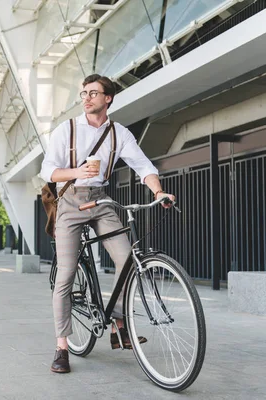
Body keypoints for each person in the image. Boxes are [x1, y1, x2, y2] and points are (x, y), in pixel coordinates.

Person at [39, 74, 176, 374]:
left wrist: (158, 191)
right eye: (83, 93)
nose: (86, 98)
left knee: (128, 259)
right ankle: (62, 346)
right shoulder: (68, 129)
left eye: (93, 93)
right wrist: (77, 171)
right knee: (66, 273)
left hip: (100, 200)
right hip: (71, 201)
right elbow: (47, 171)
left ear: (108, 98)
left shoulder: (119, 134)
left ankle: (117, 321)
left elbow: (143, 166)